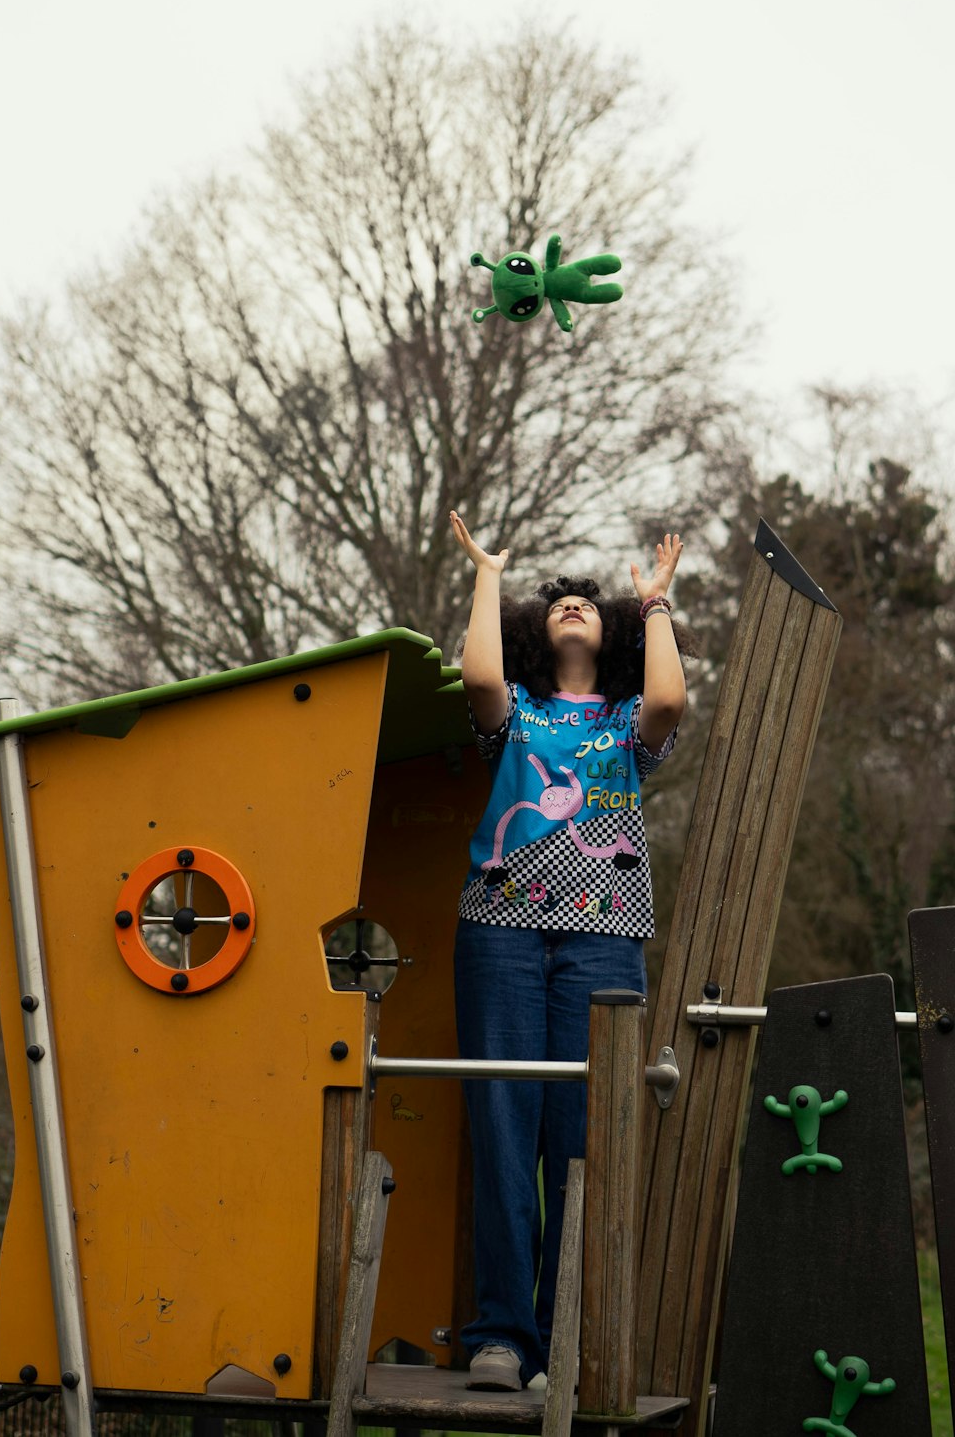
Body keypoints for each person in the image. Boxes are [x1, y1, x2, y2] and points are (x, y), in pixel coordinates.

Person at [449, 510, 690, 1393]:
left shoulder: (628, 719)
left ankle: (568, 1336)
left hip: (604, 937)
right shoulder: (513, 717)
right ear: (535, 631)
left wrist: (655, 604)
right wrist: (487, 574)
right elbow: (478, 675)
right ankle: (504, 1338)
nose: (576, 606)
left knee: (583, 1138)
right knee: (504, 1126)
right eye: (559, 604)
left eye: (591, 602)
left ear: (612, 629)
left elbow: (670, 701)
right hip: (500, 933)